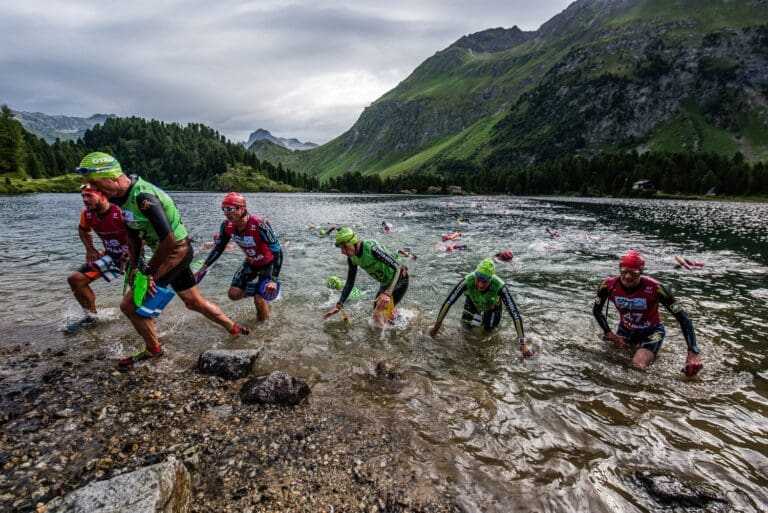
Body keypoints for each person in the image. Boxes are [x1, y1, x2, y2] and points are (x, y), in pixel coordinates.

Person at [77, 152, 249, 369]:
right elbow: (133, 234)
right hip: (169, 253)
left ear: (112, 177)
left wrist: (147, 272)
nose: (95, 191)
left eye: (96, 184)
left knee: (129, 306)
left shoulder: (143, 197)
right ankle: (234, 328)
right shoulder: (120, 197)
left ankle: (153, 350)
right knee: (193, 301)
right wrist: (134, 266)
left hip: (175, 251)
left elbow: (168, 239)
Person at [593, 250, 703, 376]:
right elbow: (597, 310)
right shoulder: (608, 286)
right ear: (619, 269)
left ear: (641, 272)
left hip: (652, 332)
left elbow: (683, 318)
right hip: (625, 330)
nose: (628, 277)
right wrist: (610, 334)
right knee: (608, 361)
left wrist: (692, 351)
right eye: (624, 271)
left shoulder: (656, 288)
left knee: (637, 367)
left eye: (634, 273)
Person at [194, 192, 282, 321]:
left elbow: (278, 252)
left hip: (268, 263)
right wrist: (203, 269)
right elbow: (219, 247)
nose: (226, 213)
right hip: (251, 263)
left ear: (241, 209)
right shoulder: (227, 226)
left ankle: (262, 325)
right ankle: (262, 291)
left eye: (229, 209)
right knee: (233, 295)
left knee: (259, 301)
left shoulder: (260, 224)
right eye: (223, 209)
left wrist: (273, 280)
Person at [429, 258, 534, 357]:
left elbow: (515, 315)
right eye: (478, 280)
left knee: (488, 337)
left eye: (484, 282)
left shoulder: (499, 286)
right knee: (465, 332)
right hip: (472, 303)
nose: (480, 285)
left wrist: (522, 344)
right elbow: (448, 302)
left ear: (491, 279)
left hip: (492, 307)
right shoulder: (468, 280)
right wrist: (436, 328)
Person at [66, 184, 130, 331]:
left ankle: (145, 319)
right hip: (111, 256)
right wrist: (90, 248)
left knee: (136, 293)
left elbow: (141, 234)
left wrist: (131, 254)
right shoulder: (87, 214)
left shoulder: (120, 211)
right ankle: (92, 318)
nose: (85, 199)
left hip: (134, 255)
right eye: (83, 196)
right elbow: (83, 230)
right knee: (76, 280)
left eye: (89, 196)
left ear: (103, 196)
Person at [324, 227, 408, 326]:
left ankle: (380, 340)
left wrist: (388, 293)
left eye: (345, 247)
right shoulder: (352, 258)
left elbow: (398, 268)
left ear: (354, 242)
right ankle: (408, 317)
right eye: (341, 248)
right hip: (385, 284)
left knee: (377, 315)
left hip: (399, 280)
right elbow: (350, 282)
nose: (343, 251)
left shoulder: (371, 248)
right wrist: (339, 304)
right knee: (381, 318)